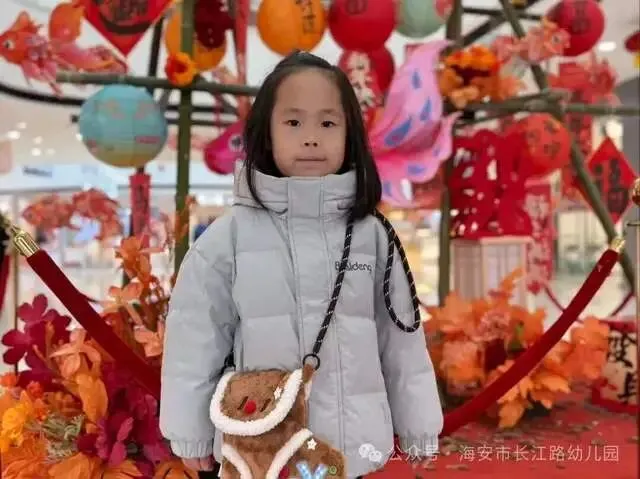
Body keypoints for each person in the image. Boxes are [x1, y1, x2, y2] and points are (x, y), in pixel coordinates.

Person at [160, 51, 443, 479]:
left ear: (350, 134)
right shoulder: (228, 238)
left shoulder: (372, 236)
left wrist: (420, 424)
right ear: (266, 133)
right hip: (263, 450)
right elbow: (194, 338)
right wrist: (190, 433)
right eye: (293, 122)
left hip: (352, 448)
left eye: (327, 123)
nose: (311, 138)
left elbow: (401, 338)